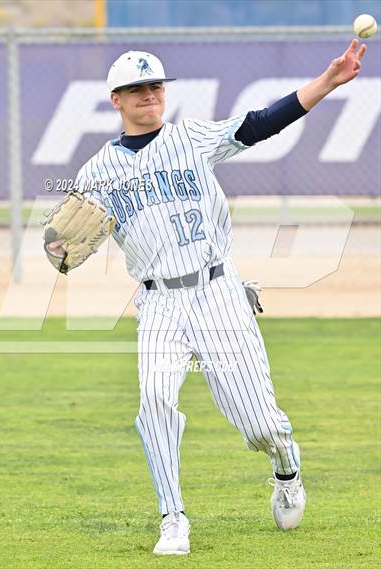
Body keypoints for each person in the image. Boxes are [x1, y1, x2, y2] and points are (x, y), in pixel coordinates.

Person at [48, 39, 366, 555]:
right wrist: (60, 248)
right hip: (157, 304)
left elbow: (260, 123)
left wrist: (327, 82)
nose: (148, 95)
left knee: (259, 423)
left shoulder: (193, 138)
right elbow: (69, 245)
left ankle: (286, 466)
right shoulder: (95, 174)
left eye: (155, 86)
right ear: (116, 99)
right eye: (136, 89)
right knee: (154, 401)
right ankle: (173, 519)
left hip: (218, 292)